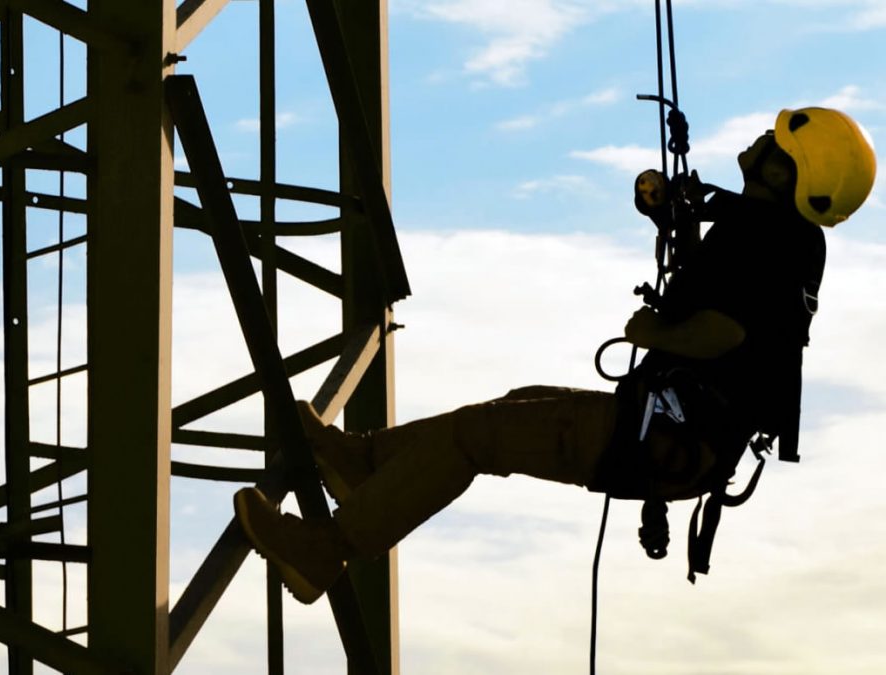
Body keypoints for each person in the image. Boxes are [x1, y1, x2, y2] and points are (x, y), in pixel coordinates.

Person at [233, 107, 877, 605]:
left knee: (478, 438)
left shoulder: (767, 239)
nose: (763, 141)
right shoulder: (780, 237)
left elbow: (728, 333)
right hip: (674, 430)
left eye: (777, 143)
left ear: (780, 173)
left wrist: (656, 334)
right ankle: (363, 462)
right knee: (512, 410)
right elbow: (733, 290)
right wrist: (670, 212)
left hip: (669, 437)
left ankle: (329, 549)